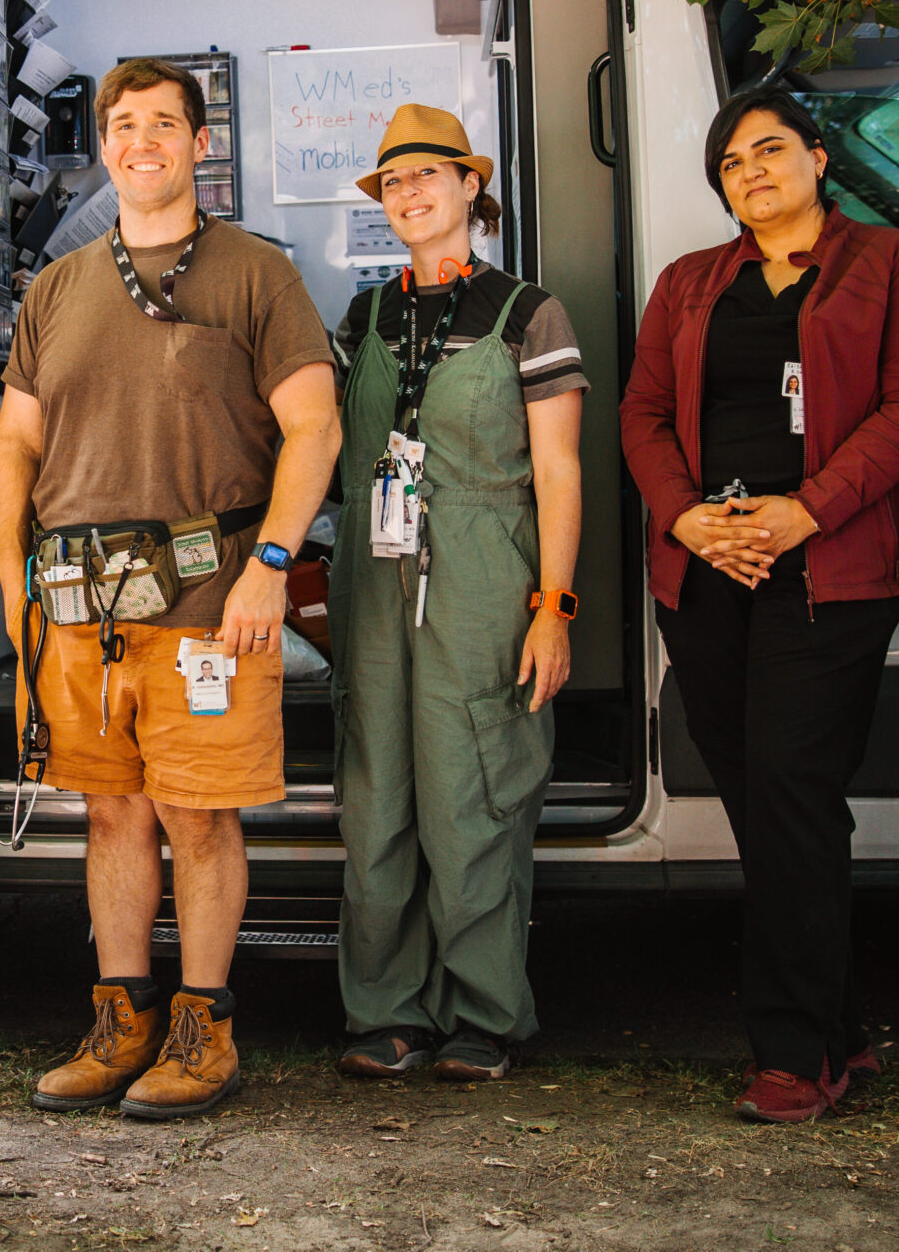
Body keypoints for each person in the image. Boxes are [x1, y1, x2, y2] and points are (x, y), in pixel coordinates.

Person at [0, 57, 341, 1120]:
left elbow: (314, 426)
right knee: (110, 818)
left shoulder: (254, 274)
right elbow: (15, 443)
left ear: (200, 144)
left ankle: (203, 1030)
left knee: (198, 821)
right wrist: (16, 589)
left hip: (208, 608)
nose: (140, 141)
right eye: (122, 125)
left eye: (162, 124)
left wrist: (271, 566)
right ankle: (118, 1023)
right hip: (80, 616)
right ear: (103, 146)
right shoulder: (55, 289)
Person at [620, 85, 899, 1123]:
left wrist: (803, 513)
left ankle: (791, 1051)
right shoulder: (688, 283)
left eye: (770, 151)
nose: (751, 171)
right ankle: (838, 1032)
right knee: (770, 803)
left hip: (832, 570)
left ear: (818, 159)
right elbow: (642, 414)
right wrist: (686, 521)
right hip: (706, 568)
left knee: (792, 795)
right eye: (731, 162)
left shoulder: (891, 264)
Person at [328, 106, 586, 1082]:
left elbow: (558, 473)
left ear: (470, 187)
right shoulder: (363, 317)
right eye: (393, 182)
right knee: (377, 797)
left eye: (429, 175)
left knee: (475, 793)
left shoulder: (528, 312)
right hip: (372, 593)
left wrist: (551, 607)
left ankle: (481, 1013)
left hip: (484, 587)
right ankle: (387, 1011)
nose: (410, 194)